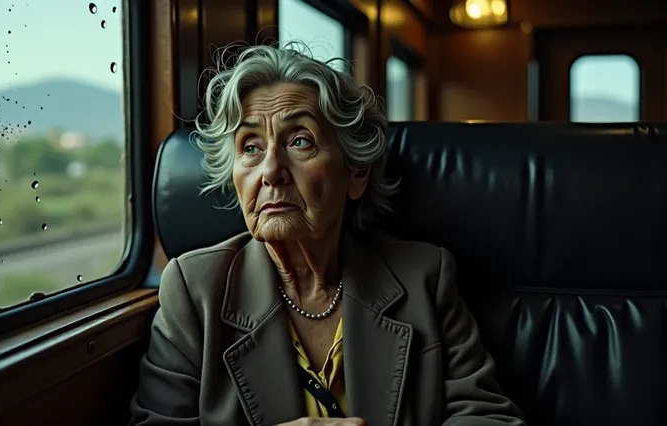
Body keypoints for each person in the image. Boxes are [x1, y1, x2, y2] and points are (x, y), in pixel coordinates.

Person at [129, 42, 526, 426]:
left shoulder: (424, 277)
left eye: (300, 140)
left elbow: (487, 416)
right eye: (250, 146)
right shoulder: (194, 290)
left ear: (356, 173)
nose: (270, 170)